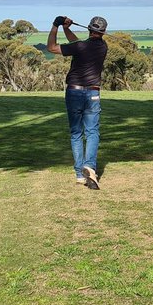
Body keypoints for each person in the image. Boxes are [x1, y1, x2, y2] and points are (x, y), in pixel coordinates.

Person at [46, 15, 108, 189]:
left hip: (74, 92)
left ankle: (80, 174)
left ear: (89, 29)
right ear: (102, 32)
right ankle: (90, 166)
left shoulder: (81, 46)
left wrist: (56, 25)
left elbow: (51, 47)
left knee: (76, 133)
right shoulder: (103, 46)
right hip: (93, 94)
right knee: (92, 132)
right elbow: (78, 44)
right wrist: (67, 28)